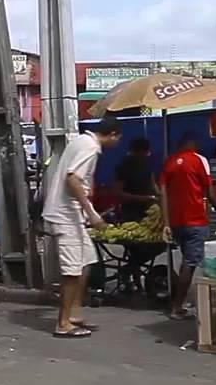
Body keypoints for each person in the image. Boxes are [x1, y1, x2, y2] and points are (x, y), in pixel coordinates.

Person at [42, 115, 120, 338]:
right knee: (72, 270)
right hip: (66, 215)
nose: (117, 144)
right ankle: (63, 323)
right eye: (117, 139)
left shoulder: (79, 141)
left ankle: (74, 313)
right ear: (112, 135)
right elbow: (73, 179)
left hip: (72, 215)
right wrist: (92, 214)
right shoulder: (91, 148)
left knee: (86, 261)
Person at [162, 133, 214, 321]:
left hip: (177, 221)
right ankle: (177, 306)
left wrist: (166, 222)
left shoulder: (169, 162)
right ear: (192, 143)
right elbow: (209, 189)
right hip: (196, 220)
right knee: (190, 263)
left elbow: (163, 193)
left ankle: (179, 302)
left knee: (186, 259)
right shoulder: (199, 160)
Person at [112, 138, 158, 223]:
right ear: (138, 152)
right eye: (145, 152)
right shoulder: (123, 167)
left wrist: (158, 196)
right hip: (130, 213)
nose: (147, 155)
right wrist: (141, 198)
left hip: (149, 211)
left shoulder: (147, 164)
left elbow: (153, 182)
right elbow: (117, 192)